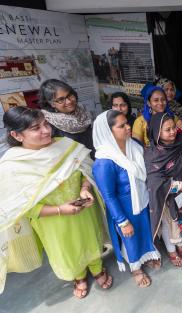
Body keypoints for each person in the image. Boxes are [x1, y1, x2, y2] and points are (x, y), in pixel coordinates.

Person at [0, 107, 111, 299]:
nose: (46, 130)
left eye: (45, 123)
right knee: (67, 250)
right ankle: (78, 276)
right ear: (17, 135)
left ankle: (97, 268)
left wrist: (85, 187)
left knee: (92, 239)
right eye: (36, 128)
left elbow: (85, 170)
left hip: (84, 212)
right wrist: (60, 209)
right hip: (53, 223)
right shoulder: (13, 166)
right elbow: (18, 208)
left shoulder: (65, 145)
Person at [92, 110, 161, 288]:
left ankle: (147, 256)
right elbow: (108, 195)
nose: (128, 127)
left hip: (142, 200)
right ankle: (136, 269)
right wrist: (122, 221)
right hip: (124, 208)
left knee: (145, 231)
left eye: (127, 123)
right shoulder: (104, 161)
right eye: (121, 126)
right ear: (109, 131)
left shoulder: (134, 145)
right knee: (130, 237)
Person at [144, 112, 182, 267]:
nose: (173, 132)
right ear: (157, 132)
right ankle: (172, 251)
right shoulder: (152, 154)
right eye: (167, 129)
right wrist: (177, 185)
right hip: (168, 198)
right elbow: (154, 181)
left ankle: (181, 245)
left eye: (173, 128)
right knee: (170, 226)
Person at [38, 79, 95, 159]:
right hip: (75, 166)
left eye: (69, 95)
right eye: (61, 99)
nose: (68, 101)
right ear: (52, 103)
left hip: (94, 157)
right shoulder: (47, 123)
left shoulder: (81, 110)